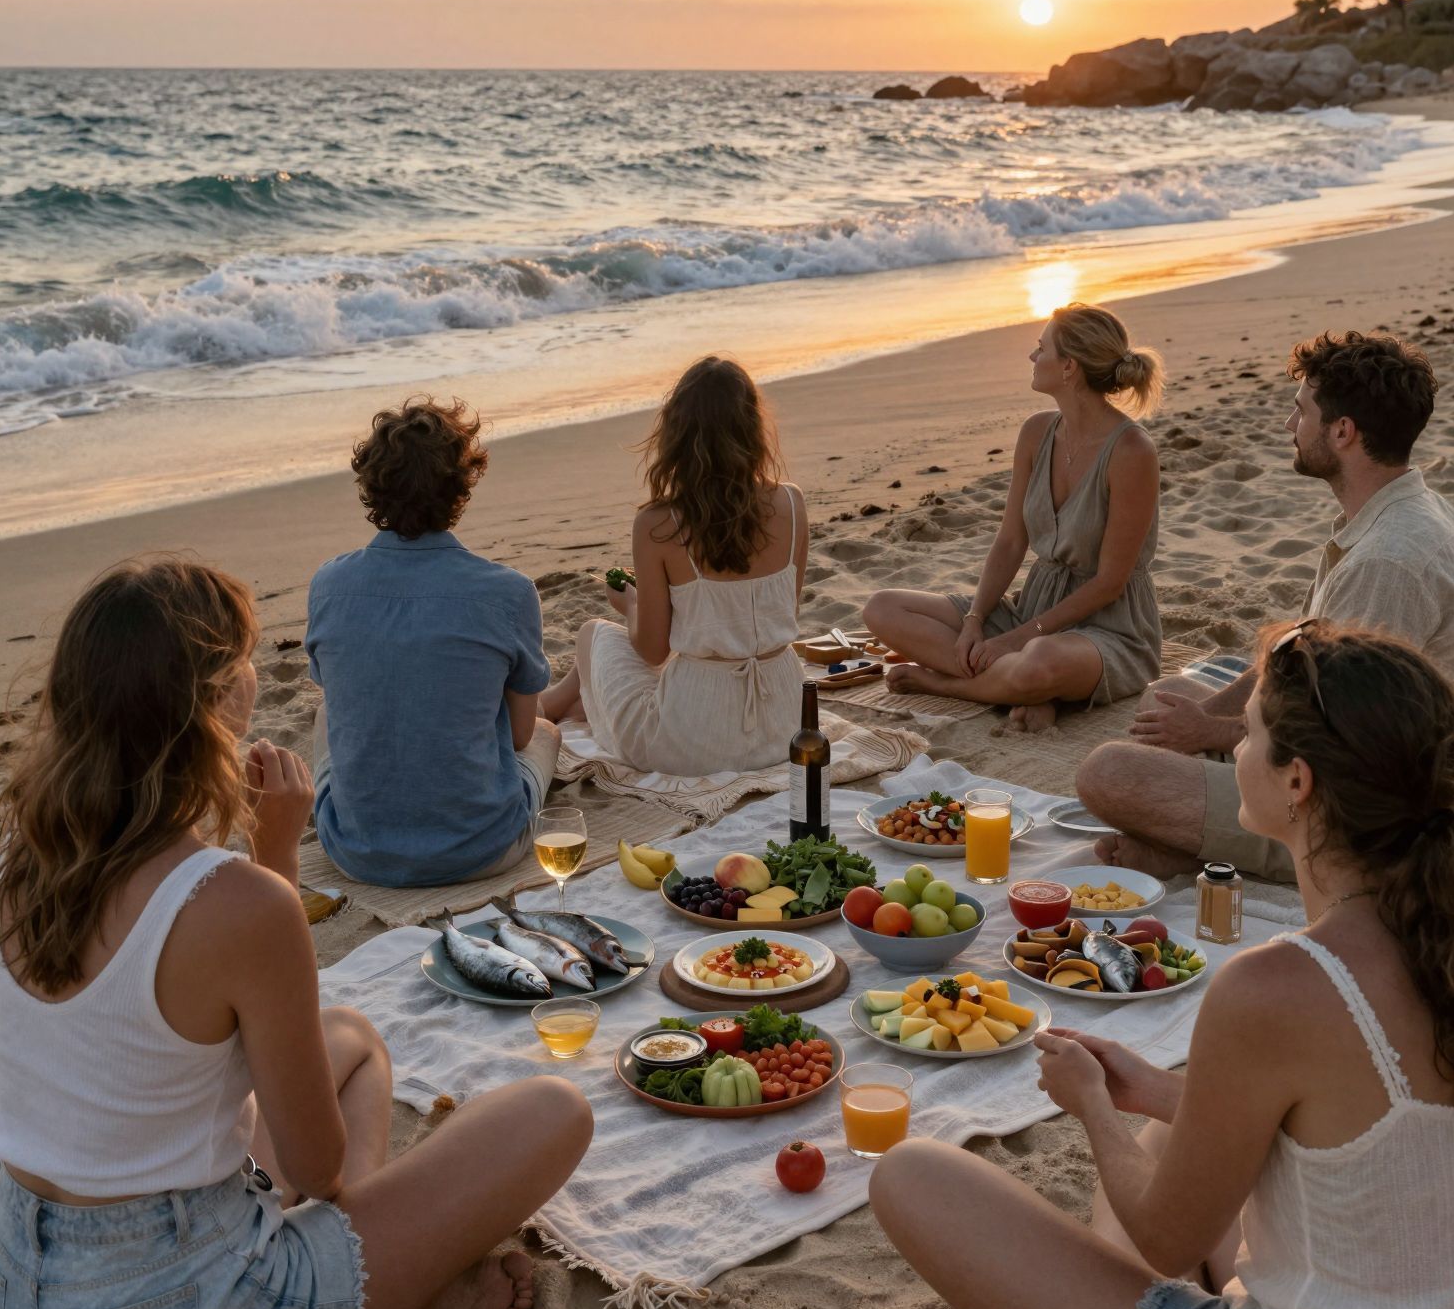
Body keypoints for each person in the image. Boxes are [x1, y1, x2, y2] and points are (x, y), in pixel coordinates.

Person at [872, 620, 1454, 1309]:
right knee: (1171, 1128)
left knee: (910, 1176)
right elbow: (1375, 1132)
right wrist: (1160, 1096)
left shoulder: (1282, 985)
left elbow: (1166, 1243)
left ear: (1298, 783)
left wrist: (1093, 1108)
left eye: (1248, 734)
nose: (1235, 751)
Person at [0, 560, 592, 1309]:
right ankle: (395, 1287)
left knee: (352, 1039)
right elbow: (320, 1168)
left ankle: (384, 1278)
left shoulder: (21, 854)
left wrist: (262, 864)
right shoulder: (237, 903)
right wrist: (273, 858)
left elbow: (169, 1024)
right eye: (244, 659)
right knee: (555, 1110)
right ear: (212, 701)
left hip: (25, 1298)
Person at [1077, 330, 1454, 880]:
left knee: (1108, 773)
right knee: (1171, 697)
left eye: (1301, 412)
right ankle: (1203, 846)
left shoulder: (1385, 563)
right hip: (1344, 762)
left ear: (1342, 431)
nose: (1288, 425)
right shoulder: (1403, 510)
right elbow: (1296, 651)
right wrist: (1205, 718)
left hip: (1372, 821)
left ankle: (1240, 856)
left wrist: (1210, 734)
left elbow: (1338, 739)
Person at [862, 305, 1163, 733]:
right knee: (883, 608)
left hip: (1110, 627)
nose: (1032, 357)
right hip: (1035, 606)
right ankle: (1023, 689)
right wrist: (975, 620)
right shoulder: (1036, 432)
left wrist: (1018, 639)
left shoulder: (1132, 451)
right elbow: (1009, 542)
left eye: (1042, 348)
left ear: (1069, 367)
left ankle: (951, 685)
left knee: (1039, 661)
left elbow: (1109, 583)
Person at [307, 397, 560, 887]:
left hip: (357, 853)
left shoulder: (328, 585)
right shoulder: (508, 592)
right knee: (546, 733)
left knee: (325, 714)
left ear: (372, 486)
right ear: (461, 485)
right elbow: (520, 737)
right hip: (482, 849)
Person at [540, 357, 807, 774]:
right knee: (674, 658)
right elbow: (785, 611)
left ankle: (552, 705)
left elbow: (652, 651)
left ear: (676, 433)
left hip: (695, 741)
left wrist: (631, 604)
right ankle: (569, 704)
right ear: (754, 427)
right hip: (786, 725)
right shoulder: (792, 501)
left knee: (594, 633)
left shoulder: (658, 524)